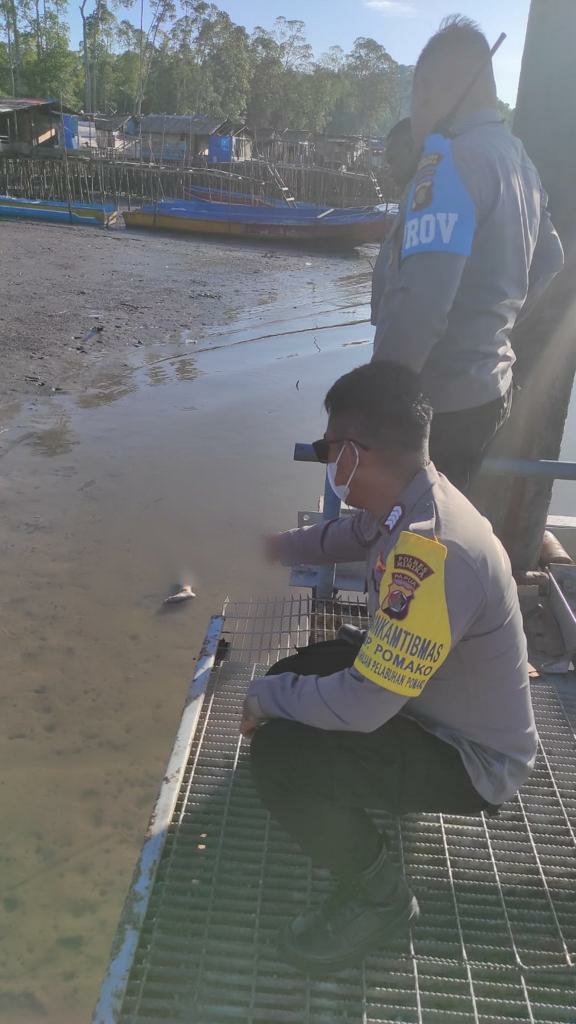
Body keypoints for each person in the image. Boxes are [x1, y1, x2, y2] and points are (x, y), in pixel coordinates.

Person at [242, 361, 537, 975]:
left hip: (469, 755)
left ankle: (381, 899)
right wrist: (265, 547)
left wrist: (266, 696)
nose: (327, 460)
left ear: (354, 452)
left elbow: (361, 707)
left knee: (282, 756)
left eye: (330, 448)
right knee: (304, 667)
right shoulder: (413, 497)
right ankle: (355, 795)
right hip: (430, 698)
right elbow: (347, 537)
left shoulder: (432, 549)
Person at [372, 16, 564, 492]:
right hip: (488, 391)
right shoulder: (518, 159)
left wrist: (373, 409)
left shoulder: (449, 164)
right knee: (453, 515)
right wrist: (490, 329)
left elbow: (419, 309)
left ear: (426, 91)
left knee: (413, 532)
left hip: (435, 405)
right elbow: (551, 260)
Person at [371, 118, 419, 327]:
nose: (388, 170)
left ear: (410, 149)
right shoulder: (410, 198)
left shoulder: (423, 204)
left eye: (392, 160)